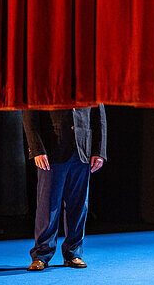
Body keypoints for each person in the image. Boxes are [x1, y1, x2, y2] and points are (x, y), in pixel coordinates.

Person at [21, 106, 107, 271]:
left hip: (82, 149)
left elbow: (99, 117)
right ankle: (41, 255)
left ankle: (73, 253)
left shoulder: (91, 83)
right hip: (52, 149)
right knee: (48, 205)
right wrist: (37, 149)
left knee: (79, 205)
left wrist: (99, 150)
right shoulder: (43, 81)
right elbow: (30, 116)